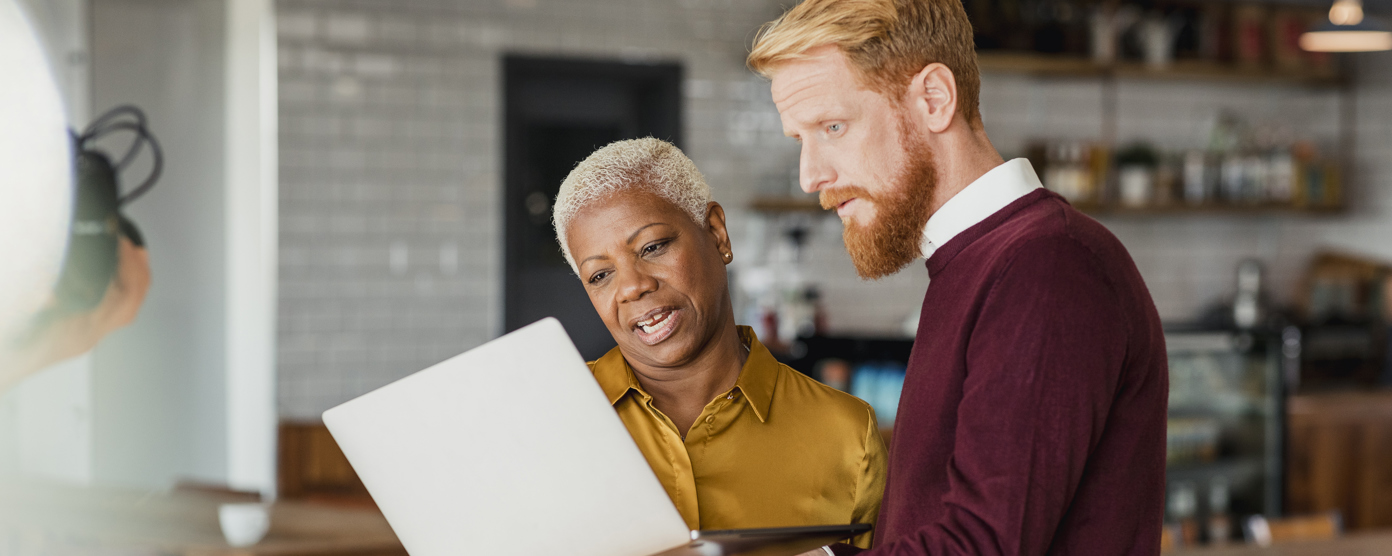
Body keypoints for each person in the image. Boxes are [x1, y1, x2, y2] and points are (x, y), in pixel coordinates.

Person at [746, 1, 1169, 555]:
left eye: (833, 127)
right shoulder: (982, 263)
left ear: (933, 99)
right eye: (801, 140)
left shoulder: (1048, 266)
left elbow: (984, 545)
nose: (810, 176)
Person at [553, 137, 886, 548]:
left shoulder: (847, 434)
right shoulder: (549, 420)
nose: (633, 287)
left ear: (717, 234)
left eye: (653, 247)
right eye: (600, 275)